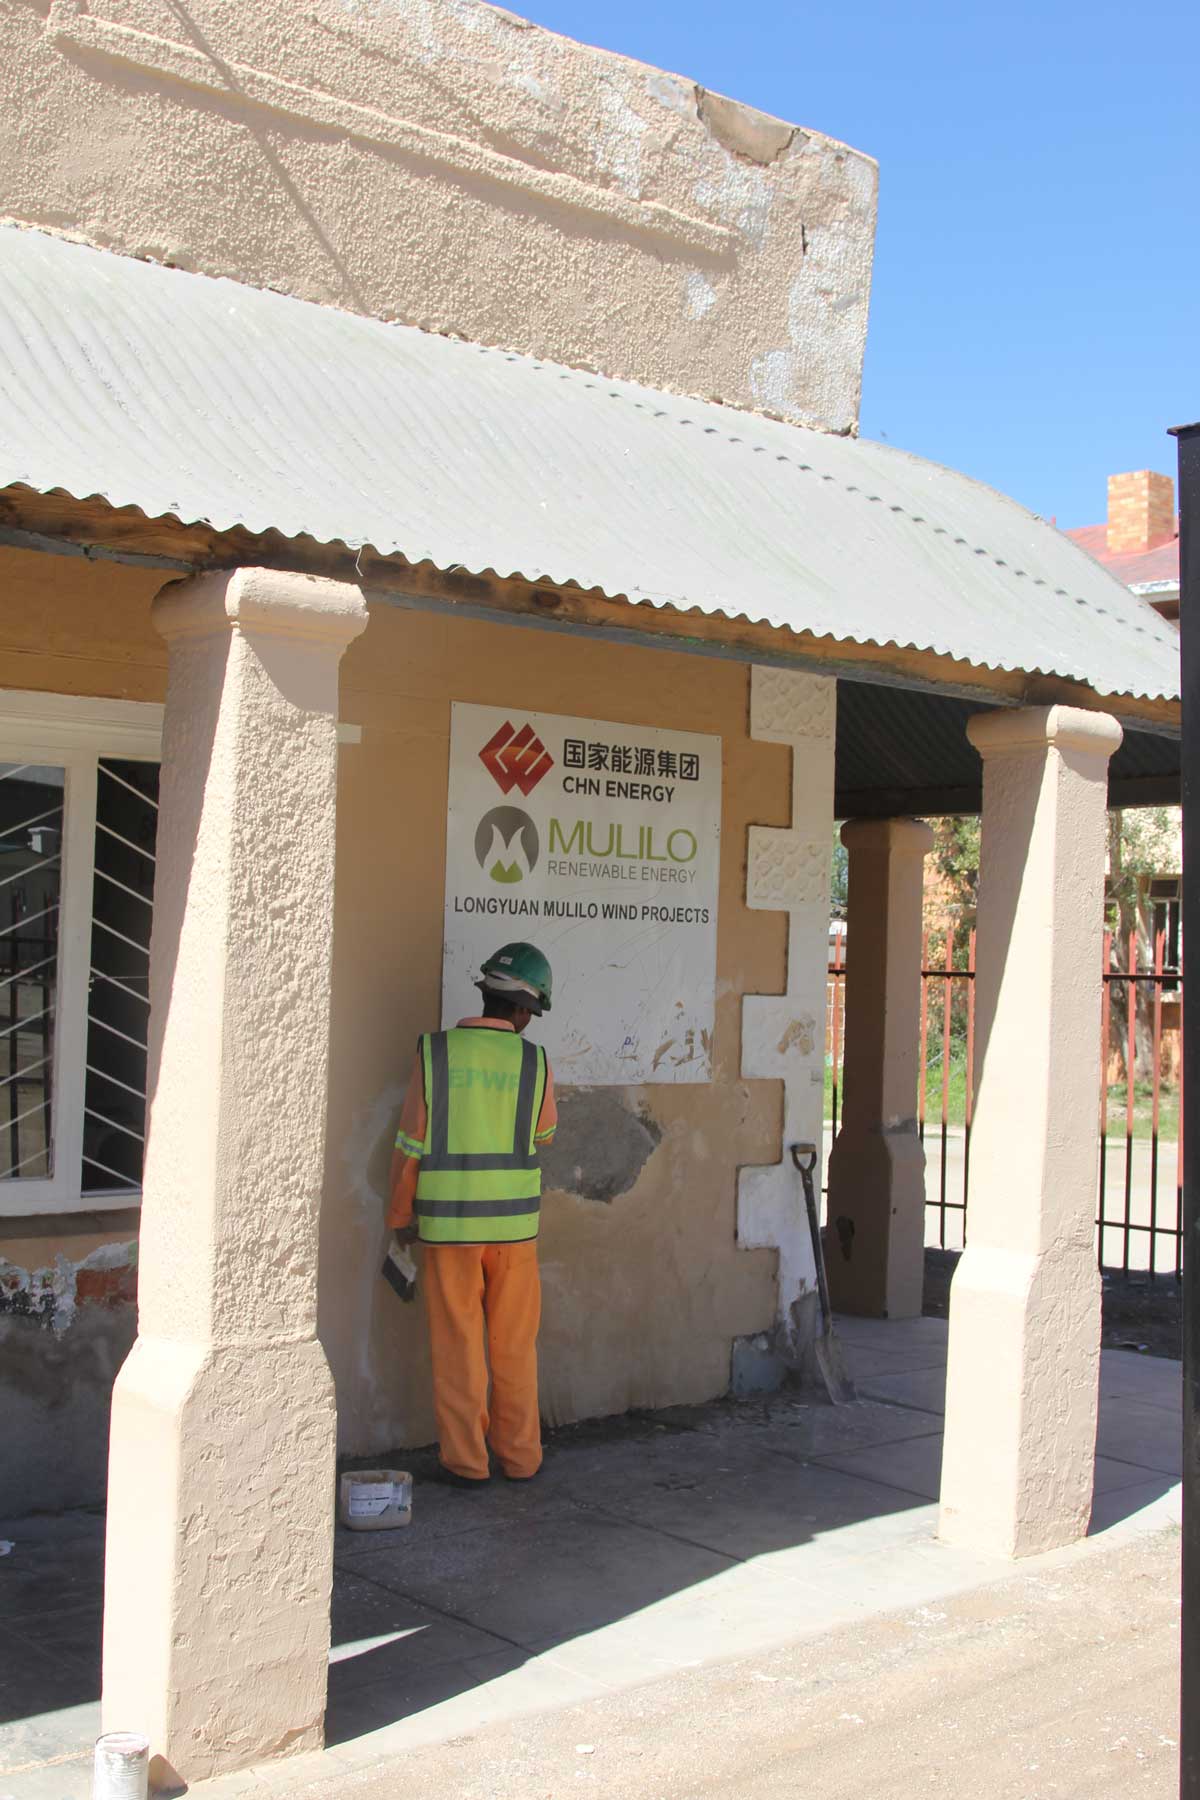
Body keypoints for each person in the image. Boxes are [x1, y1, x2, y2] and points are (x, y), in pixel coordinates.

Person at [388, 943, 557, 1486]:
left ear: (485, 993)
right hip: (514, 1233)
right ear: (525, 1011)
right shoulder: (534, 1061)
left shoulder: (435, 1053)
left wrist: (399, 1218)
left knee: (457, 1348)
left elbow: (410, 1144)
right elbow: (544, 1133)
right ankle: (522, 1458)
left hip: (449, 1230)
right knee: (514, 1348)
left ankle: (466, 1464)